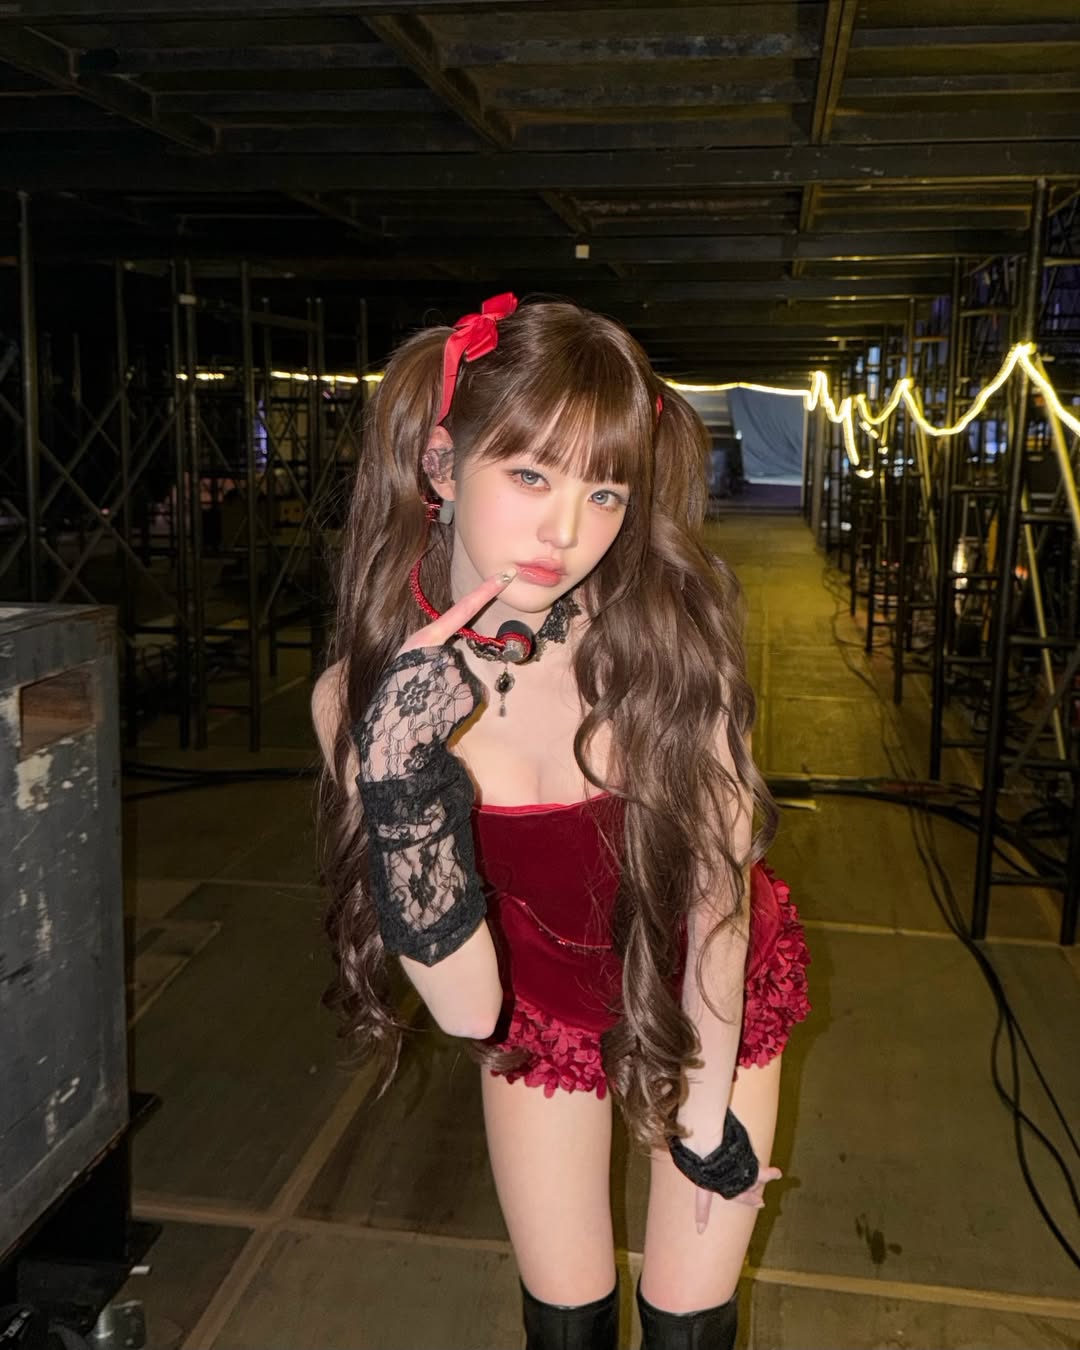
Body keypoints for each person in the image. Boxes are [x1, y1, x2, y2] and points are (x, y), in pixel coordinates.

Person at [312, 294, 810, 1350]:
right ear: (443, 467)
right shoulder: (360, 698)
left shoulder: (668, 645)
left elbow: (719, 893)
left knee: (689, 1319)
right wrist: (402, 782)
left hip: (704, 990)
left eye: (605, 491)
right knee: (565, 1321)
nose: (567, 533)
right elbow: (468, 1012)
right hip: (539, 1013)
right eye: (531, 476)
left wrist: (702, 1109)